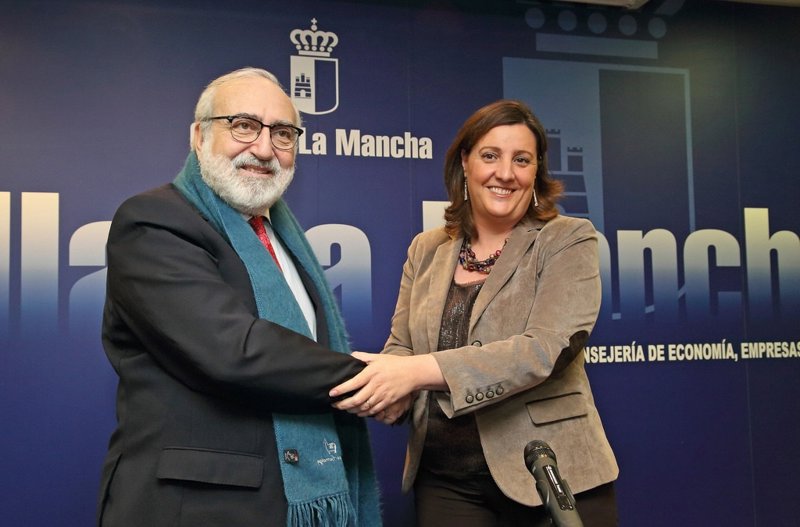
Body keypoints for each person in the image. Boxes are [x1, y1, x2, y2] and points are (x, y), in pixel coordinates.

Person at [97, 67, 381, 527]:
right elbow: (233, 350)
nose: (264, 149)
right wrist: (372, 381)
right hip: (193, 507)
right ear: (199, 136)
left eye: (283, 133)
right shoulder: (152, 221)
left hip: (287, 503)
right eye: (244, 125)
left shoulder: (286, 239)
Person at [331, 100, 619, 526]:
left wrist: (415, 373)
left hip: (550, 473)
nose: (505, 173)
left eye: (521, 160)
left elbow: (546, 350)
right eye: (490, 155)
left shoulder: (567, 239)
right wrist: (392, 390)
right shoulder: (426, 248)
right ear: (464, 162)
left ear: (536, 171)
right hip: (446, 482)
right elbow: (402, 346)